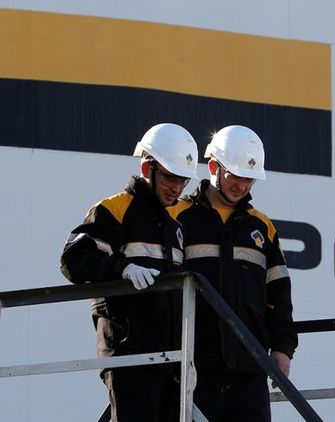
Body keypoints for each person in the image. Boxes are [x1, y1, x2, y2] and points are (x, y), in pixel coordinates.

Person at [60, 123, 199, 422]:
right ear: (147, 168)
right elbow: (73, 259)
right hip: (128, 352)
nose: (176, 188)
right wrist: (121, 267)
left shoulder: (174, 226)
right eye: (170, 177)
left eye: (183, 180)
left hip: (171, 360)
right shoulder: (114, 209)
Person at [171, 125, 297, 421]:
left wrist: (283, 348)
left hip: (249, 367)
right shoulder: (177, 216)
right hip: (192, 364)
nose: (242, 186)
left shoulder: (262, 227)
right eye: (235, 176)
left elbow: (279, 293)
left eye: (249, 179)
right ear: (213, 167)